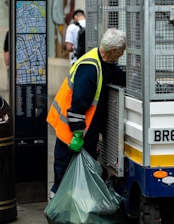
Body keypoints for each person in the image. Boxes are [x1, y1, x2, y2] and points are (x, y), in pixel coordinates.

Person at [47, 28, 126, 198]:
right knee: (65, 172)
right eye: (122, 50)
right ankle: (58, 205)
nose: (123, 53)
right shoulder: (90, 68)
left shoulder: (104, 63)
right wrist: (77, 133)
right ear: (113, 51)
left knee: (78, 173)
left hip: (84, 131)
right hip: (71, 131)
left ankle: (72, 204)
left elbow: (120, 77)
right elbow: (78, 105)